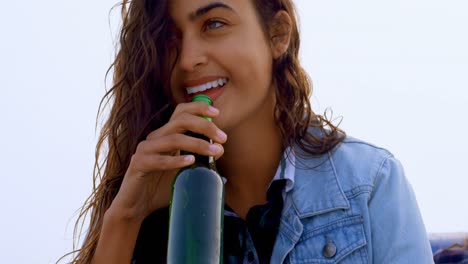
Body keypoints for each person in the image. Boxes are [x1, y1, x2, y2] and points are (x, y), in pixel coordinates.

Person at [63, 0, 434, 263]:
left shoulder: (368, 181)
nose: (189, 58)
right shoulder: (154, 205)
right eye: (170, 40)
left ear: (278, 34)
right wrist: (126, 216)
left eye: (214, 24)